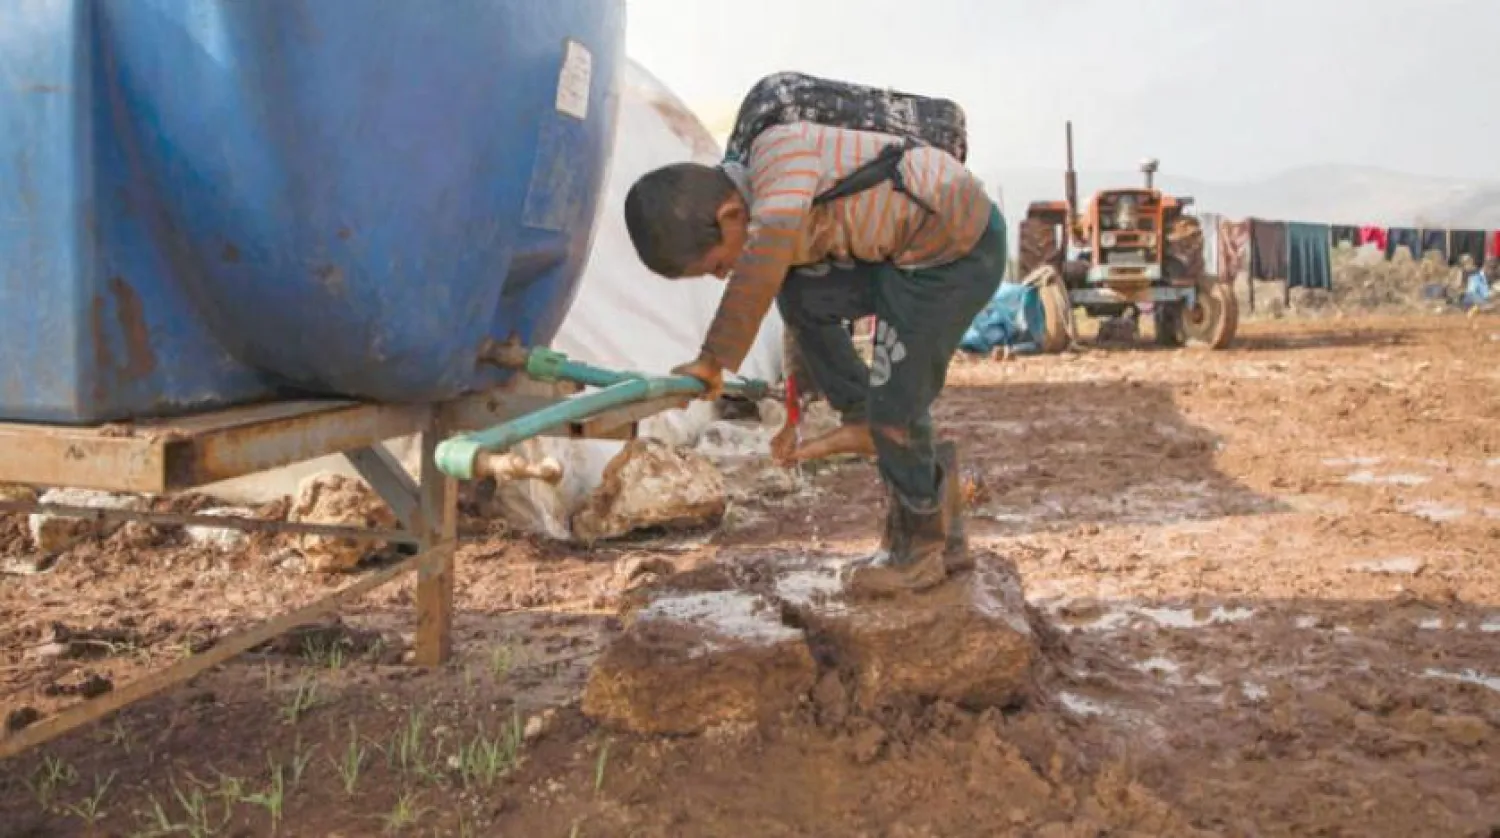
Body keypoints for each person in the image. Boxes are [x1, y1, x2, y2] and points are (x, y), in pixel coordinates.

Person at [622, 119, 1005, 597]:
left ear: (728, 216)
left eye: (718, 264)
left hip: (954, 254)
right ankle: (930, 516)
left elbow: (763, 263)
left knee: (897, 404)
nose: (724, 277)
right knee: (803, 298)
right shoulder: (765, 203)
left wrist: (712, 360)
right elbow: (795, 304)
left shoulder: (779, 163)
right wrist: (793, 412)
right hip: (900, 259)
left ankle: (919, 554)